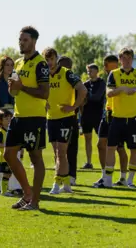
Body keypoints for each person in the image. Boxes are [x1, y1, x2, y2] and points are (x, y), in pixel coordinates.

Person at [6, 26, 49, 211]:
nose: (21, 43)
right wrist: (13, 87)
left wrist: (21, 87)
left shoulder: (41, 64)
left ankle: (35, 202)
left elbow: (44, 92)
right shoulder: (18, 63)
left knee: (35, 157)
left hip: (34, 118)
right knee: (8, 154)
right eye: (20, 40)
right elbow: (14, 91)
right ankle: (27, 193)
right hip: (18, 116)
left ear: (33, 41)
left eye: (25, 40)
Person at [43, 47, 87, 194]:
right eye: (47, 59)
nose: (50, 62)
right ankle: (67, 183)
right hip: (51, 118)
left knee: (61, 152)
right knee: (57, 154)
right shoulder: (43, 75)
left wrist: (74, 107)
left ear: (56, 59)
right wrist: (43, 102)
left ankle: (56, 183)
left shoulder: (67, 73)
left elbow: (83, 90)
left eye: (52, 59)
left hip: (65, 119)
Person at [101, 48, 136, 188]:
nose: (127, 61)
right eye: (124, 58)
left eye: (129, 58)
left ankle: (129, 180)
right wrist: (122, 89)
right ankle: (107, 180)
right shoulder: (114, 74)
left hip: (133, 118)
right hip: (117, 117)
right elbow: (108, 93)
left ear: (133, 59)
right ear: (120, 59)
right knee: (111, 148)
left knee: (134, 149)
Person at [0, 56, 22, 194]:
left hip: (14, 116)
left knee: (17, 152)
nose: (10, 67)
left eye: (11, 65)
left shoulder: (16, 82)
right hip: (0, 116)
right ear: (2, 66)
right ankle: (0, 186)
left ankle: (16, 186)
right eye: (7, 65)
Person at [93, 55, 129, 188]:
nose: (110, 68)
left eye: (114, 65)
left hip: (117, 115)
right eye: (108, 66)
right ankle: (105, 176)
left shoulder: (122, 76)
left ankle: (123, 178)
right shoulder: (107, 78)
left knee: (119, 147)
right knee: (101, 144)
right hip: (107, 114)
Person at [58, 56, 79, 185]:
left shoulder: (73, 80)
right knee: (60, 149)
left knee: (70, 149)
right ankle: (63, 174)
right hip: (57, 117)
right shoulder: (54, 78)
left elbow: (83, 97)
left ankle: (70, 175)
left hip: (70, 117)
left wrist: (74, 107)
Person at [81, 63, 105, 170]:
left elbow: (97, 97)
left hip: (98, 116)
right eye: (88, 71)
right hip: (86, 115)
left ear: (96, 71)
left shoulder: (101, 83)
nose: (89, 73)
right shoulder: (85, 84)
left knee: (102, 140)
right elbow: (80, 99)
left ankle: (105, 163)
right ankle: (88, 162)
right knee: (87, 139)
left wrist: (86, 96)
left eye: (91, 71)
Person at [0, 109, 14, 196]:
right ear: (1, 121)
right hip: (4, 158)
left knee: (9, 174)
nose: (9, 120)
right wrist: (7, 146)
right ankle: (3, 191)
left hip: (11, 157)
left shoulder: (10, 131)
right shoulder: (1, 132)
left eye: (10, 118)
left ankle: (5, 190)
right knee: (6, 174)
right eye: (6, 119)